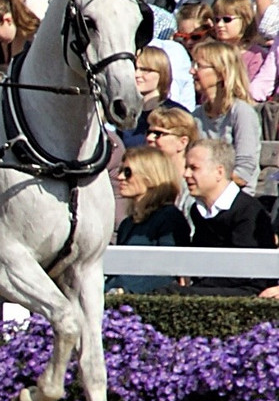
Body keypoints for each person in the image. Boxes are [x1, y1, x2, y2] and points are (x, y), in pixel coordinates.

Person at [166, 139, 276, 297]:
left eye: (194, 168)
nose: (186, 174)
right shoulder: (198, 211)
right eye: (186, 168)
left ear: (219, 172)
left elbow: (245, 271)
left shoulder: (247, 211)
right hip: (210, 285)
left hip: (245, 290)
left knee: (172, 294)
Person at [106, 146, 187, 295]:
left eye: (128, 172)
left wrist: (125, 291)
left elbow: (168, 271)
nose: (120, 177)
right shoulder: (127, 224)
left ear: (150, 177)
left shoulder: (169, 218)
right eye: (120, 171)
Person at [189, 39, 261, 185]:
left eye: (199, 66)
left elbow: (244, 172)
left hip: (235, 198)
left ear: (221, 73)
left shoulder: (241, 113)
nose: (192, 71)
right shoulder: (196, 116)